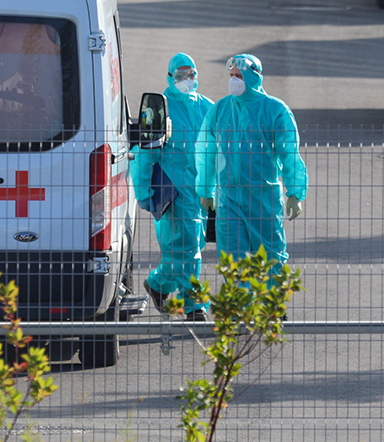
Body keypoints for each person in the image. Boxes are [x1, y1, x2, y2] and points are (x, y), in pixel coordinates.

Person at [197, 54, 307, 283]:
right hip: (229, 197)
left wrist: (295, 192)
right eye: (232, 76)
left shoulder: (275, 110)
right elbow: (206, 151)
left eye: (239, 76)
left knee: (271, 255)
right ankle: (238, 308)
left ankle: (271, 304)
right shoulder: (221, 109)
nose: (234, 81)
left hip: (263, 196)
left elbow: (289, 154)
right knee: (231, 257)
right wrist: (206, 189)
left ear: (254, 77)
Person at [131, 53, 215, 323]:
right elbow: (145, 152)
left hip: (201, 191)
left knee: (192, 244)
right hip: (173, 192)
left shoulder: (207, 108)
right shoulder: (159, 108)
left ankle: (158, 284)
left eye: (189, 74)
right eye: (179, 75)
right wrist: (144, 190)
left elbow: (219, 149)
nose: (185, 80)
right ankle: (194, 306)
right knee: (186, 247)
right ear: (169, 77)